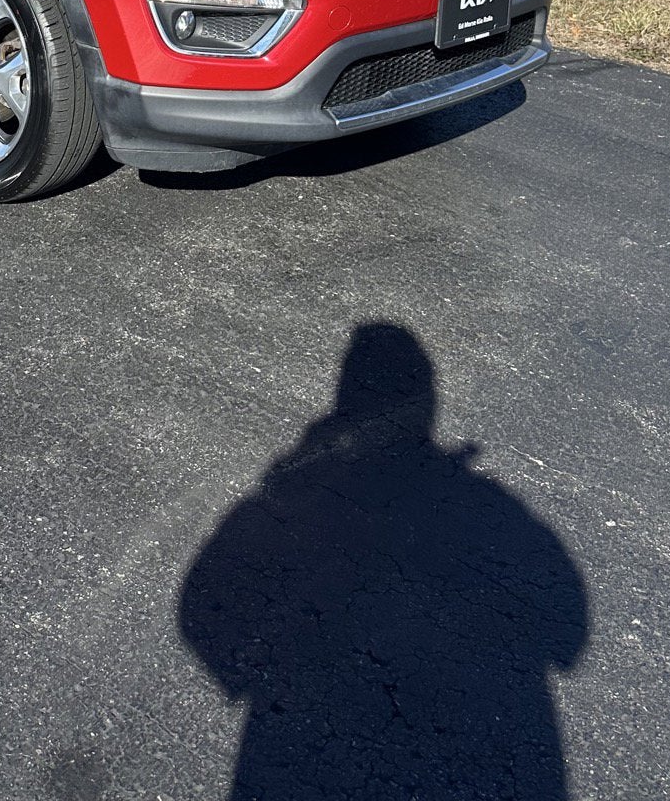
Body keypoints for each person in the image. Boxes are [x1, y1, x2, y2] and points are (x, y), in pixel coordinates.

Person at [180, 323, 589, 800]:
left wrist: (247, 677)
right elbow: (567, 634)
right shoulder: (488, 504)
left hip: (297, 735)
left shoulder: (289, 488)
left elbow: (202, 599)